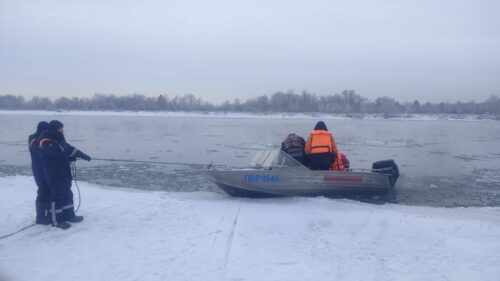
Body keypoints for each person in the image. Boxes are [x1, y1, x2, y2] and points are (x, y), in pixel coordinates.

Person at [39, 120, 91, 229]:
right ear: (55, 129)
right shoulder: (45, 141)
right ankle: (57, 221)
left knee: (67, 194)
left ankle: (69, 215)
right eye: (60, 128)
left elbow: (69, 149)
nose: (62, 130)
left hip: (64, 171)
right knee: (57, 196)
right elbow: (57, 152)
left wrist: (83, 155)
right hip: (53, 173)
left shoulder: (59, 139)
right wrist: (63, 143)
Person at [29, 121, 51, 225]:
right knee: (42, 191)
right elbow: (38, 152)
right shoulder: (33, 139)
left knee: (49, 190)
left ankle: (49, 213)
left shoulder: (45, 139)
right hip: (39, 170)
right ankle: (40, 217)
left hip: (47, 169)